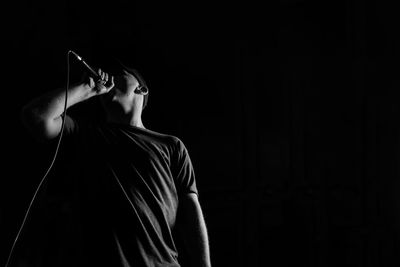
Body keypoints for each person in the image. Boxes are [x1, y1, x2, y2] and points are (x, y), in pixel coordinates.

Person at [12, 53, 211, 267]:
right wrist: (87, 89)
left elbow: (190, 212)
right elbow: (36, 116)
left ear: (141, 89)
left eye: (120, 75)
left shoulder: (171, 145)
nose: (110, 78)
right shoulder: (84, 134)